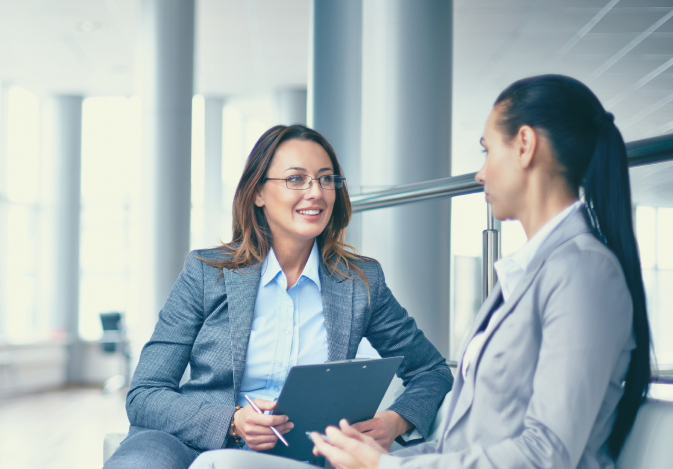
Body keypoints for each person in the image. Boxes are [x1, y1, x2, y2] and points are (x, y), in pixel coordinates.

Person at [231, 75, 652, 469]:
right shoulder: (534, 271)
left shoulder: (583, 272)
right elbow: (462, 443)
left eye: (487, 150)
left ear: (524, 145)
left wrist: (384, 463)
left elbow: (548, 453)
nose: (480, 172)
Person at [103, 124, 453, 469]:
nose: (316, 192)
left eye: (326, 178)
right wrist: (233, 420)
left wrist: (395, 421)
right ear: (258, 193)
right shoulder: (207, 272)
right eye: (296, 179)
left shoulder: (360, 282)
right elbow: (146, 394)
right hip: (191, 442)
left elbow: (431, 370)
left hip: (307, 453)